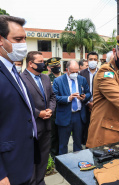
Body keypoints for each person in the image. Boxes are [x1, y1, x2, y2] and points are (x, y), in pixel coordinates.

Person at [0, 15, 38, 185]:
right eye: (17, 39)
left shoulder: (13, 71)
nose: (23, 44)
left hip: (23, 163)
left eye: (24, 38)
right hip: (7, 171)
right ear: (1, 40)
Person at [21, 51, 56, 185]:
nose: (44, 64)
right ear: (31, 63)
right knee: (32, 160)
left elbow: (52, 97)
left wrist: (50, 110)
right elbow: (22, 103)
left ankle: (40, 181)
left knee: (43, 158)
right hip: (32, 128)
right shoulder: (21, 79)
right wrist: (38, 113)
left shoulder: (45, 78)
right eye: (40, 62)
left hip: (46, 126)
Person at [52, 60, 91, 154]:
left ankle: (77, 163)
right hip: (65, 115)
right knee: (63, 144)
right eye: (72, 72)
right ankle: (63, 165)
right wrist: (68, 98)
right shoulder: (58, 81)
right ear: (67, 70)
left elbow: (88, 93)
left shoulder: (82, 79)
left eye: (76, 72)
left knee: (78, 143)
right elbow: (54, 97)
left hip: (78, 116)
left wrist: (84, 97)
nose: (75, 74)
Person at [80, 51, 99, 144]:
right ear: (87, 61)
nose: (93, 61)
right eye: (91, 59)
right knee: (86, 128)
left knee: (97, 129)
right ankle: (86, 145)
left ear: (98, 61)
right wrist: (88, 103)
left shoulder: (102, 73)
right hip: (85, 105)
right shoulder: (81, 73)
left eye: (95, 59)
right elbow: (79, 90)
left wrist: (95, 103)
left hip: (99, 106)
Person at [47, 57, 64, 159]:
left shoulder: (66, 77)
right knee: (53, 134)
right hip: (54, 110)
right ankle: (53, 155)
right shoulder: (47, 78)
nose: (56, 68)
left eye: (57, 65)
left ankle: (62, 155)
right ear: (50, 68)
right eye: (53, 66)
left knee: (63, 133)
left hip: (64, 109)